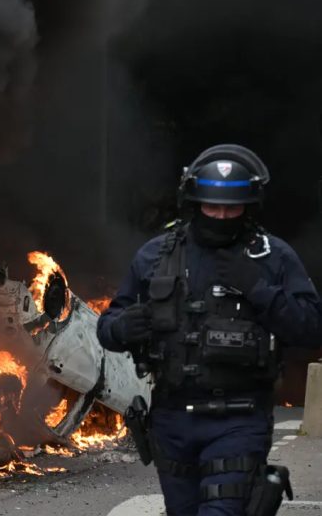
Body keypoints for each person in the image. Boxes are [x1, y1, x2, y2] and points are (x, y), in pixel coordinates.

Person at [97, 144, 322, 516]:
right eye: (212, 207)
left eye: (231, 209)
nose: (221, 216)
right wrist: (123, 327)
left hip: (240, 419)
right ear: (193, 202)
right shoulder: (157, 255)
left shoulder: (271, 257)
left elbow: (312, 328)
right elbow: (106, 328)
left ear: (248, 207)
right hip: (172, 420)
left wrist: (259, 289)